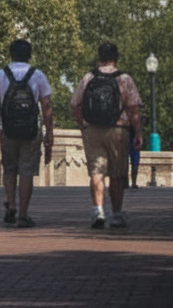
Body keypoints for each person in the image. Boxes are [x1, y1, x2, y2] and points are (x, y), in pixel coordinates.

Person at [70, 41, 143, 229]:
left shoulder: (88, 77)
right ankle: (117, 214)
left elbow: (75, 104)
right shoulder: (125, 79)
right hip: (118, 130)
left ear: (99, 57)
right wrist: (138, 133)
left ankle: (98, 211)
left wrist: (83, 125)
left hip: (93, 130)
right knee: (117, 174)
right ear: (115, 57)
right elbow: (133, 108)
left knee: (96, 171)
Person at [0, 39, 54, 227]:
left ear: (11, 54)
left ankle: (11, 207)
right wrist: (49, 133)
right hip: (31, 130)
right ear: (29, 55)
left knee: (9, 168)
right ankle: (23, 215)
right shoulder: (38, 75)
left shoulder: (1, 74)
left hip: (8, 129)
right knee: (26, 171)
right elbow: (46, 106)